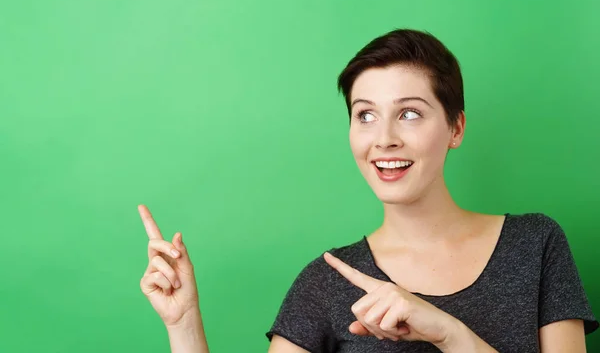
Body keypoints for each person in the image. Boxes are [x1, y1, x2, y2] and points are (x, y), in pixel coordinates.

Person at [138, 29, 599, 352]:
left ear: (456, 127)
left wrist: (449, 334)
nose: (384, 139)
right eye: (365, 115)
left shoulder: (535, 246)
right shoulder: (326, 281)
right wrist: (184, 325)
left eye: (410, 113)